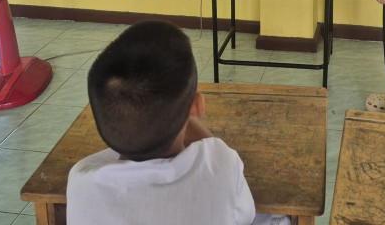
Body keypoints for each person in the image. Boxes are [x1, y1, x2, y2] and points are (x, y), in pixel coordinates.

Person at [67, 21, 285, 224]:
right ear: (197, 107)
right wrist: (183, 110)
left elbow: (131, 140)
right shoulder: (222, 166)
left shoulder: (80, 181)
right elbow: (244, 211)